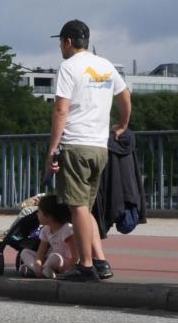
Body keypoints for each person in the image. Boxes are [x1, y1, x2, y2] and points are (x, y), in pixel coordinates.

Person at [47, 19, 131, 283]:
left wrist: (52, 148)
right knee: (87, 208)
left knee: (78, 208)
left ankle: (85, 266)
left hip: (76, 144)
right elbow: (125, 96)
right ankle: (100, 261)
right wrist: (123, 124)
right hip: (99, 147)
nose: (61, 47)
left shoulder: (68, 67)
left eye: (61, 42)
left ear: (68, 42)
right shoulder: (105, 65)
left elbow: (61, 109)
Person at [18, 195, 74, 278]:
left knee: (55, 257)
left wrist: (70, 269)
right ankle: (41, 271)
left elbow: (75, 254)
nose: (37, 214)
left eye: (39, 212)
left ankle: (36, 271)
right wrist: (38, 263)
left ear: (48, 216)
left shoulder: (67, 229)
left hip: (64, 262)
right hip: (49, 259)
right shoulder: (45, 229)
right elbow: (41, 252)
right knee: (25, 252)